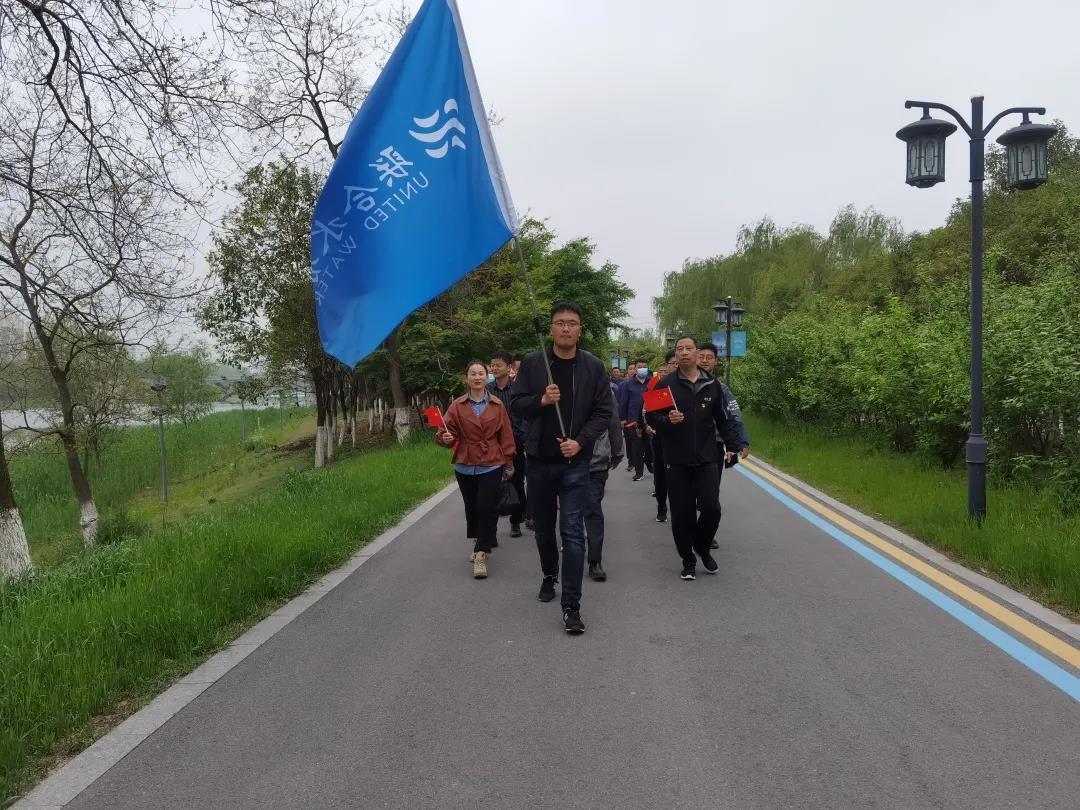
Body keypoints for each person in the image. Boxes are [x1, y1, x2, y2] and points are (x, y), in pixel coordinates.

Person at [511, 301, 613, 635]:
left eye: (572, 323)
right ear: (551, 328)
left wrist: (580, 442)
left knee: (572, 532)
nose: (566, 328)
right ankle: (549, 574)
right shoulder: (533, 364)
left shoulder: (593, 367)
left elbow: (603, 412)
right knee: (543, 529)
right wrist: (541, 400)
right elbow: (517, 405)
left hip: (575, 463)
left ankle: (571, 606)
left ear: (580, 330)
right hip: (539, 462)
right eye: (560, 322)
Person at [647, 336, 750, 580]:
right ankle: (688, 560)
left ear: (696, 353)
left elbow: (723, 418)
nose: (684, 352)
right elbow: (651, 418)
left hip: (707, 457)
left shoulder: (713, 384)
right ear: (676, 354)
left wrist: (733, 445)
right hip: (676, 459)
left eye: (688, 348)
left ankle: (702, 547)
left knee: (712, 508)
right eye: (679, 349)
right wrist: (667, 420)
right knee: (682, 514)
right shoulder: (663, 384)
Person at [436, 360, 517, 579]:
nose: (478, 377)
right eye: (473, 373)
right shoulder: (457, 405)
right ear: (467, 378)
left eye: (481, 373)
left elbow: (506, 435)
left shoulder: (497, 405)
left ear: (486, 376)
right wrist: (445, 437)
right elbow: (445, 431)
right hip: (465, 463)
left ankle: (481, 552)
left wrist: (509, 461)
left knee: (485, 507)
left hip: (491, 462)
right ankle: (478, 540)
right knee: (471, 507)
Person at [584, 392, 624, 582]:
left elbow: (613, 421)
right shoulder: (559, 385)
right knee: (570, 510)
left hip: (596, 461)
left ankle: (595, 560)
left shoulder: (604, 390)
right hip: (566, 460)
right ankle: (572, 545)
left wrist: (617, 451)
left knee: (593, 509)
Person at [488, 350, 527, 537]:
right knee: (492, 484)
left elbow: (525, 416)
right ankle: (491, 529)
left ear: (509, 367)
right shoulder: (487, 390)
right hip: (492, 444)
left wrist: (524, 439)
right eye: (492, 365)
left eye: (499, 365)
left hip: (516, 442)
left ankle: (516, 521)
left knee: (516, 482)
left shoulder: (518, 389)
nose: (495, 368)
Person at [645, 349, 677, 522]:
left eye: (678, 363)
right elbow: (650, 414)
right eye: (673, 363)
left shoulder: (694, 382)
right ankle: (662, 507)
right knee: (661, 474)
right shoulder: (661, 385)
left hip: (685, 440)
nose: (676, 366)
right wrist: (666, 421)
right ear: (667, 365)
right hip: (662, 438)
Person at [617, 360, 650, 481]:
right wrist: (622, 419)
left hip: (650, 420)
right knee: (637, 447)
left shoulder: (652, 382)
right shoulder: (627, 384)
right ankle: (639, 472)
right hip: (633, 421)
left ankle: (649, 462)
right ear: (635, 369)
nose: (642, 368)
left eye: (644, 366)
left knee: (650, 447)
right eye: (639, 367)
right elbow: (623, 403)